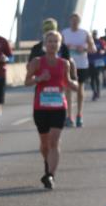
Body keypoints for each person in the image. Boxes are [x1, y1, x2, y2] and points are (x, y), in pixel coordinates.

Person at [25, 30, 80, 190]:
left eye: (56, 41)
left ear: (60, 45)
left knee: (54, 141)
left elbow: (76, 86)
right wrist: (39, 79)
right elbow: (27, 81)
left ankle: (50, 175)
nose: (52, 44)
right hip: (41, 108)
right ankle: (47, 163)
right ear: (44, 44)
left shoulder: (65, 63)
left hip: (58, 107)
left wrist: (68, 81)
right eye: (50, 41)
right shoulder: (37, 62)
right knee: (44, 144)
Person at [60, 13, 95, 127]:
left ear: (79, 22)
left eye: (76, 21)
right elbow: (57, 47)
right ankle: (69, 116)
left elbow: (93, 49)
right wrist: (66, 48)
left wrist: (84, 48)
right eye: (72, 20)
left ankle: (79, 114)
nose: (74, 23)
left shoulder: (84, 33)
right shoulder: (64, 33)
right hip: (67, 64)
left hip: (81, 65)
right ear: (69, 21)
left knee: (79, 90)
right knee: (67, 89)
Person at [88, 30, 106, 101]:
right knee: (92, 78)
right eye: (93, 34)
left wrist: (102, 51)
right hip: (90, 61)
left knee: (97, 76)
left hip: (98, 61)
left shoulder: (101, 41)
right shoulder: (88, 42)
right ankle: (94, 92)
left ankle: (98, 91)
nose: (94, 35)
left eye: (95, 34)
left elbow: (104, 49)